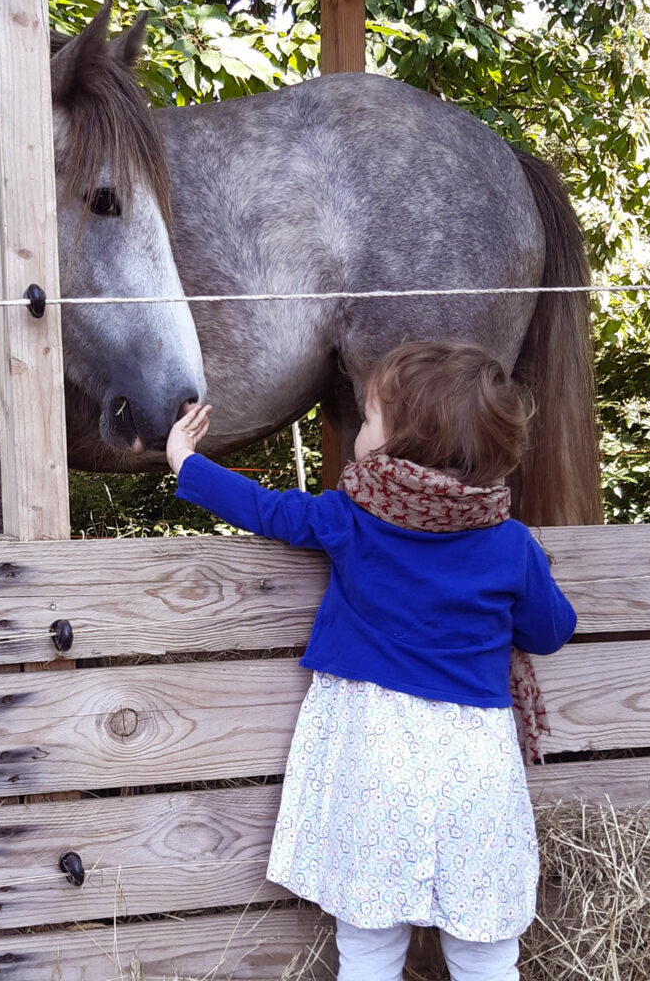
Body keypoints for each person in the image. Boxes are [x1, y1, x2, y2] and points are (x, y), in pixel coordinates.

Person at [165, 341, 576, 981]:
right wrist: (535, 575)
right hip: (474, 765)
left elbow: (269, 511)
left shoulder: (355, 519)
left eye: (372, 419)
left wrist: (185, 461)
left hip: (372, 752)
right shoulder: (509, 544)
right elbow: (550, 632)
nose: (359, 429)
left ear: (406, 444)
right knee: (485, 950)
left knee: (369, 944)